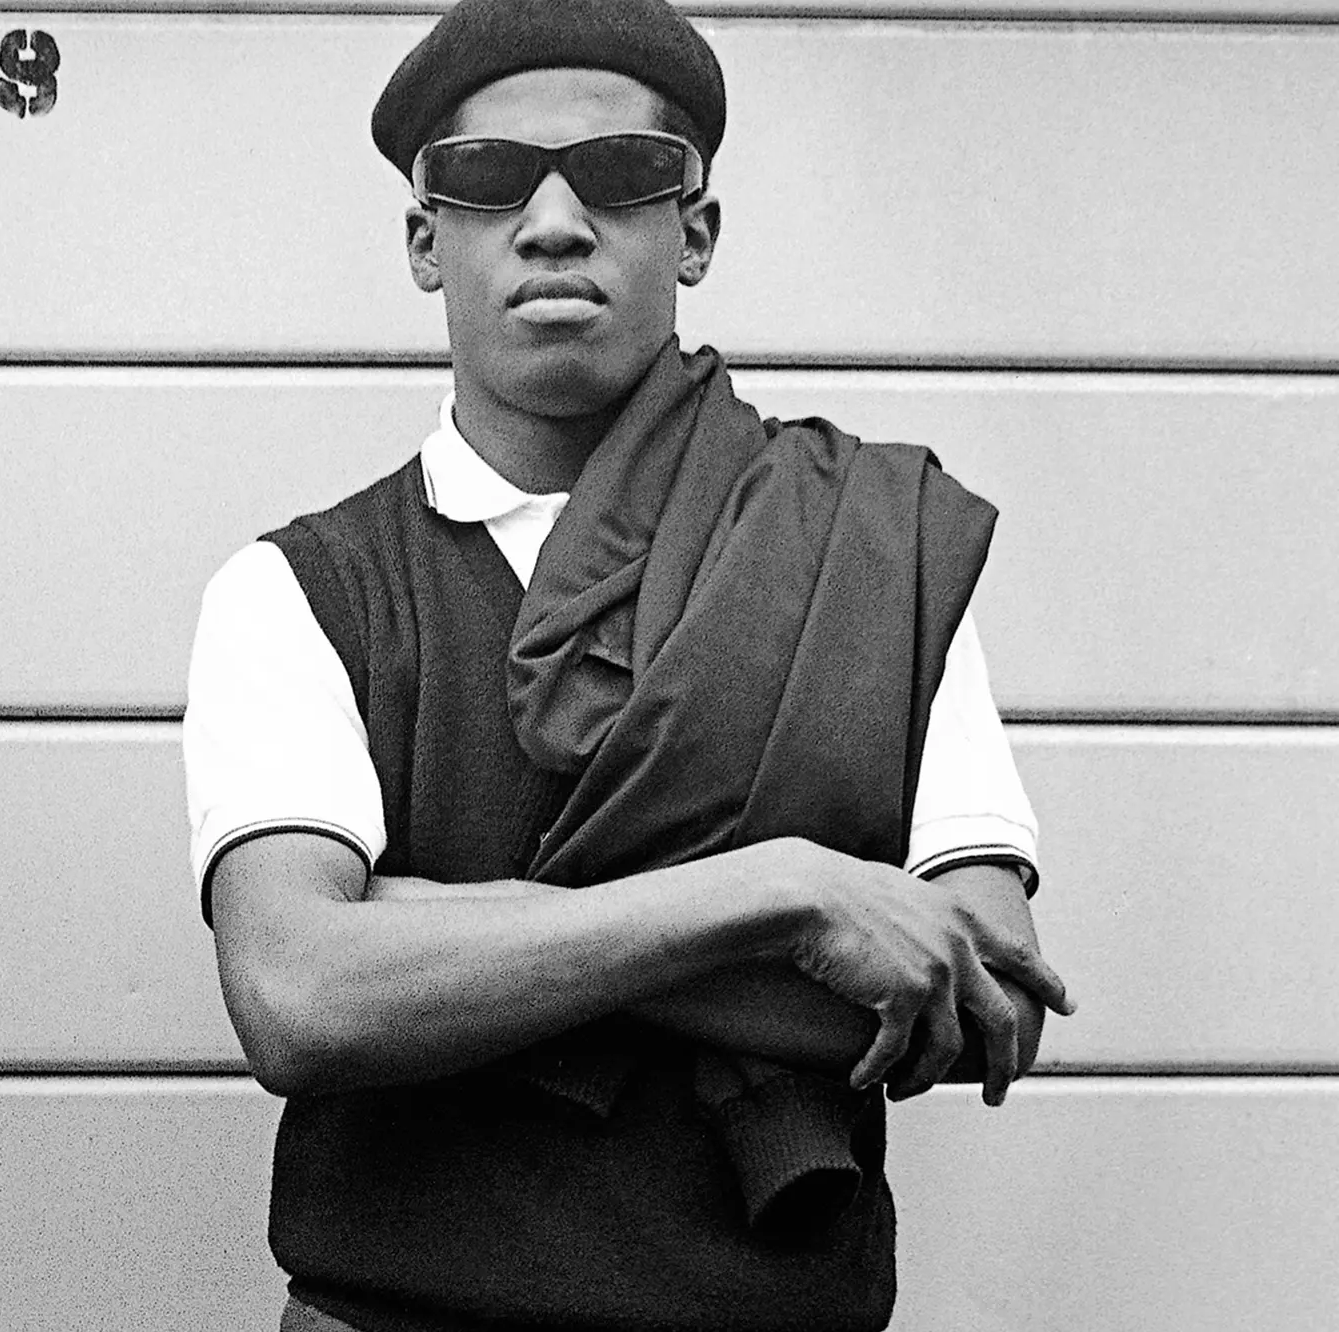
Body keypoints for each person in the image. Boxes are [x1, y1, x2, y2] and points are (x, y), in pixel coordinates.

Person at [183, 1, 1076, 1327]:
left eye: (616, 177)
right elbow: (302, 996)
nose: (551, 222)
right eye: (488, 182)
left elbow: (988, 987)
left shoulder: (859, 552)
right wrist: (787, 899)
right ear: (428, 241)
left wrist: (429, 935)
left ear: (695, 230)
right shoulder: (301, 590)